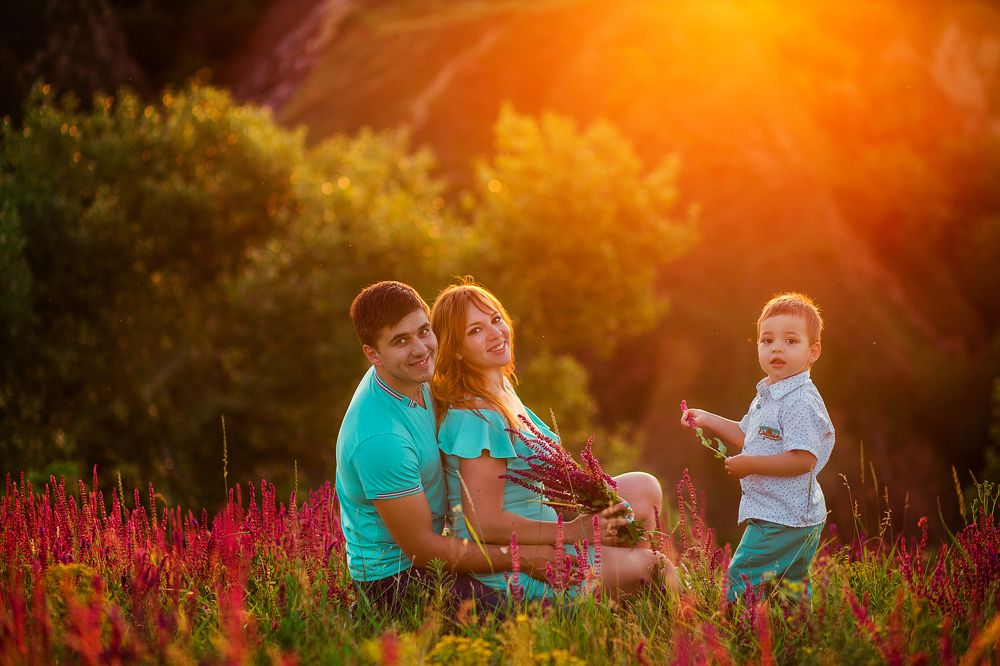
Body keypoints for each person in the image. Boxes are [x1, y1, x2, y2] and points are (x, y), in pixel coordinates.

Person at [430, 281, 676, 600]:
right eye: (475, 330)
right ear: (457, 350)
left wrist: (590, 504)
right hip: (519, 565)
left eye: (495, 319)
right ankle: (643, 594)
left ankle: (629, 597)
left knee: (643, 489)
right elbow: (484, 523)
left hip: (543, 535)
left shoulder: (501, 390)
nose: (494, 332)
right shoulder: (478, 416)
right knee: (658, 567)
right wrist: (571, 532)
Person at [335, 281, 555, 610]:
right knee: (525, 615)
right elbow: (421, 549)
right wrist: (520, 556)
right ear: (373, 354)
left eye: (424, 331)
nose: (421, 349)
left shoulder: (418, 375)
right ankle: (365, 615)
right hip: (398, 578)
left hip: (444, 545)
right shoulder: (381, 438)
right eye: (401, 341)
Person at [681, 292, 834, 602]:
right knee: (789, 589)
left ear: (813, 351)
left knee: (741, 577)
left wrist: (750, 464)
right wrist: (707, 418)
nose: (776, 347)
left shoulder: (799, 401)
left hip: (781, 517)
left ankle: (732, 626)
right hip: (795, 517)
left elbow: (803, 459)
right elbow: (747, 434)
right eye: (767, 340)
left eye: (791, 341)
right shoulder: (770, 394)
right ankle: (798, 628)